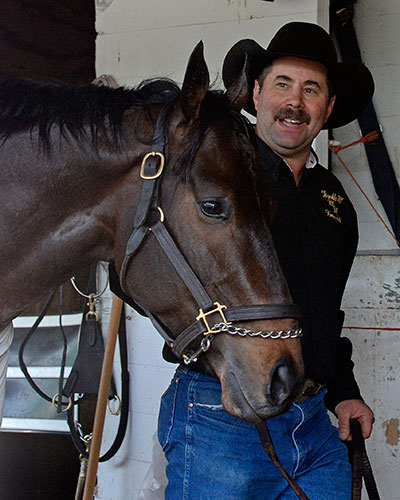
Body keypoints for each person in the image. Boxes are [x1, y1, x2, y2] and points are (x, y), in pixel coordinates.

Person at [111, 22, 375, 499]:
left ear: (328, 108)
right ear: (255, 94)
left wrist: (344, 391)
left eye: (311, 89)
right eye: (282, 84)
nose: (295, 102)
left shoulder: (334, 201)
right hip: (221, 417)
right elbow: (130, 267)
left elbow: (324, 314)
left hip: (314, 422)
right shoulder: (213, 177)